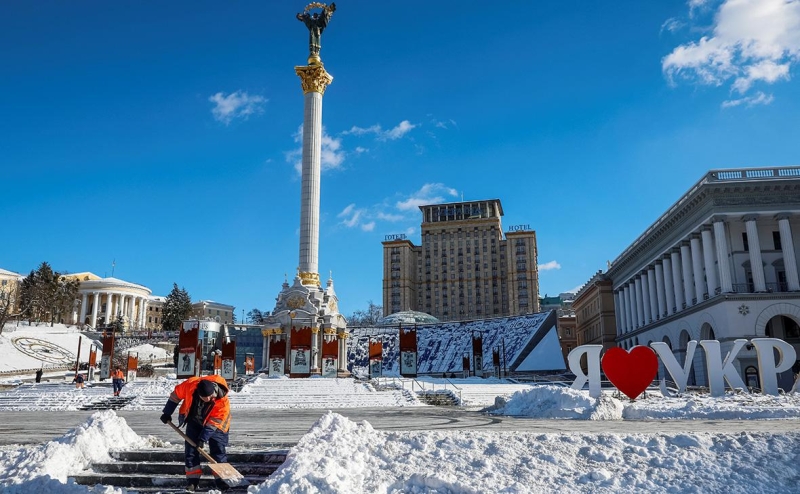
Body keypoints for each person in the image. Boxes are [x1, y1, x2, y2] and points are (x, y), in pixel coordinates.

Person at [160, 375, 231, 492]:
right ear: (198, 392)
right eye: (204, 397)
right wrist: (167, 412)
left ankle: (221, 480)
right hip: (195, 419)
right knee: (191, 450)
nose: (208, 399)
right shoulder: (189, 385)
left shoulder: (222, 401)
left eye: (210, 396)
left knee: (217, 450)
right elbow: (175, 396)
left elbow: (214, 422)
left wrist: (202, 439)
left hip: (217, 425)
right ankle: (192, 481)